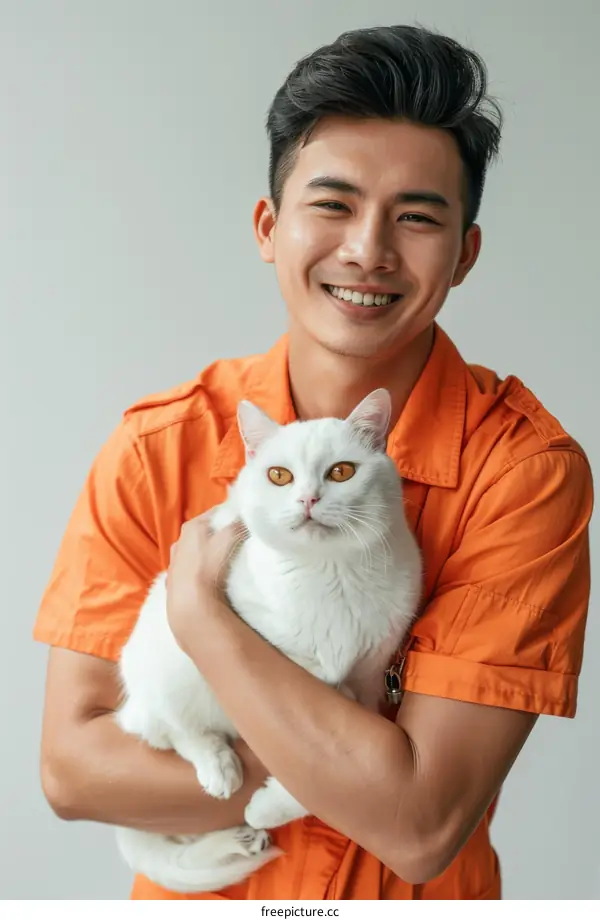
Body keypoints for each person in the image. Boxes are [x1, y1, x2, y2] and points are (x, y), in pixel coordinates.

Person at [34, 24, 593, 901]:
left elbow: (420, 823)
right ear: (269, 226)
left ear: (466, 254)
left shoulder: (522, 474)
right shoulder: (158, 447)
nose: (369, 250)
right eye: (332, 204)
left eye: (416, 216)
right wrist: (355, 765)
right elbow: (72, 770)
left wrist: (200, 613)